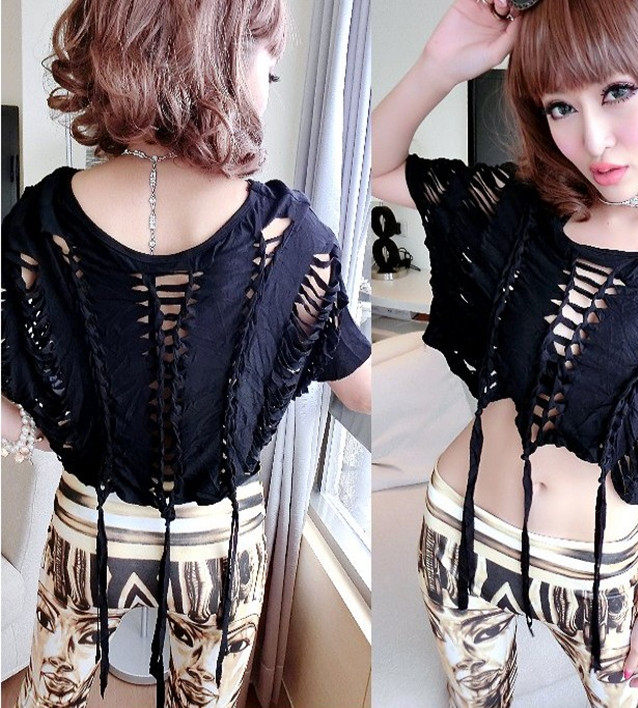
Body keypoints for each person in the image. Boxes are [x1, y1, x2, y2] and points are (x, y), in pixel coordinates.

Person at [371, 0, 638, 705]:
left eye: (617, 91)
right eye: (561, 106)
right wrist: (440, 63)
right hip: (461, 533)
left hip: (596, 567)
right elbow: (372, 170)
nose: (592, 139)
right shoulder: (519, 209)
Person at [1, 0, 372, 706]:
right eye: (269, 65)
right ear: (223, 58)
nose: (269, 84)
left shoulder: (39, 224)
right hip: (219, 540)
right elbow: (360, 390)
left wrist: (38, 435)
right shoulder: (292, 235)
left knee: (51, 693)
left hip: (91, 522)